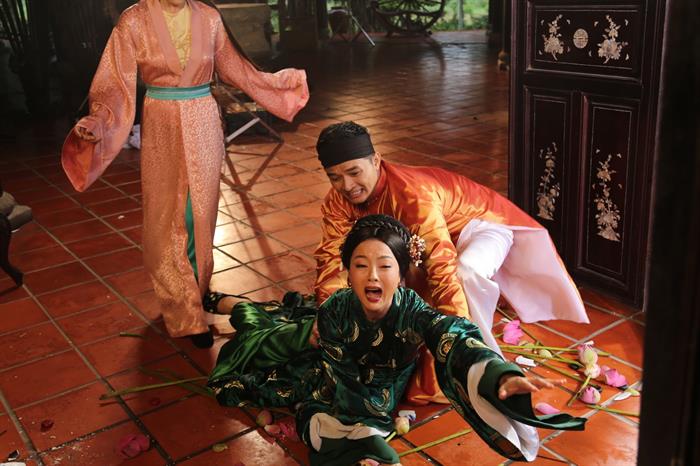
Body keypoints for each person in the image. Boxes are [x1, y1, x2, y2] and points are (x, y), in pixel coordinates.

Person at [207, 215, 586, 466]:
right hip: (330, 377)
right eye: (361, 265)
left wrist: (498, 375)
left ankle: (233, 305)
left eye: (385, 265)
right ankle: (228, 303)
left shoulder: (411, 311)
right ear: (347, 272)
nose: (373, 276)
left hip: (376, 397)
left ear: (401, 275)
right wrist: (362, 436)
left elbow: (451, 333)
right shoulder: (336, 311)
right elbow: (344, 388)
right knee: (262, 331)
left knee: (355, 435)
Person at [61, 0, 309, 348]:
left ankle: (197, 293)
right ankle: (183, 310)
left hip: (204, 122)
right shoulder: (134, 20)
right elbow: (113, 83)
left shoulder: (209, 18)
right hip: (161, 123)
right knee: (167, 218)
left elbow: (237, 69)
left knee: (199, 215)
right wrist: (98, 121)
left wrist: (279, 85)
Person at [313, 121, 589, 403]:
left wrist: (459, 349)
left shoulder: (412, 196)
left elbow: (442, 268)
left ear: (376, 160)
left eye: (354, 172)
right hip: (433, 240)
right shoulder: (337, 200)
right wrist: (328, 315)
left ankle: (481, 361)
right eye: (335, 177)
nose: (347, 186)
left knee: (463, 273)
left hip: (480, 229)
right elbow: (331, 259)